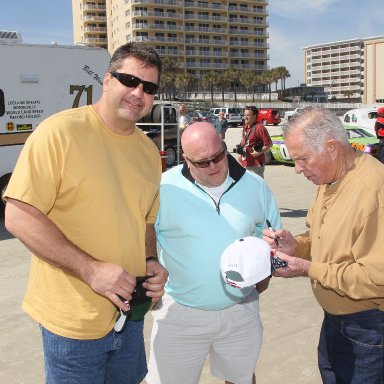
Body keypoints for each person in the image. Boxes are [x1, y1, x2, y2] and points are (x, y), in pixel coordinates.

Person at [3, 42, 168, 384]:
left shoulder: (148, 151)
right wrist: (91, 270)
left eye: (149, 87)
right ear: (107, 80)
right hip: (73, 323)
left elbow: (145, 219)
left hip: (129, 314)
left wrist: (150, 261)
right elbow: (17, 216)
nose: (138, 93)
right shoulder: (59, 133)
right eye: (129, 80)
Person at [146, 122, 281, 384]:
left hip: (240, 312)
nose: (214, 166)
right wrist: (149, 261)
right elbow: (145, 228)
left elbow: (271, 238)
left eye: (219, 156)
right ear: (185, 159)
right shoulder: (163, 187)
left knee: (241, 379)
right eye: (202, 162)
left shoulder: (255, 185)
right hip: (179, 315)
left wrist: (262, 278)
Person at [263, 107, 384, 383]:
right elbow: (324, 238)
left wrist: (307, 269)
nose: (297, 170)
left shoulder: (374, 191)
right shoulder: (331, 178)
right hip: (336, 321)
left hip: (369, 329)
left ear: (331, 148)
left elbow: (377, 279)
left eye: (303, 159)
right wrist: (298, 246)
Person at [238, 106, 272, 178]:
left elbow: (269, 144)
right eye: (244, 115)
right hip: (244, 162)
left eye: (248, 115)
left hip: (255, 165)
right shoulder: (245, 126)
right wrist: (241, 147)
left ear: (254, 116)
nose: (245, 117)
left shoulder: (260, 128)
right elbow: (244, 140)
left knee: (256, 187)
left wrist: (259, 152)